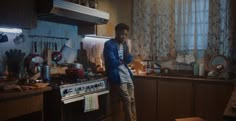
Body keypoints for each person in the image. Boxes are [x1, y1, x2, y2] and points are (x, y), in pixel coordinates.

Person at [103, 23, 136, 121]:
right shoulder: (109, 44)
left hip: (126, 73)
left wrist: (127, 55)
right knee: (127, 99)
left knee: (132, 99)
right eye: (122, 34)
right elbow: (111, 61)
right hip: (117, 75)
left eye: (126, 35)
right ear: (116, 33)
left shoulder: (124, 44)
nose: (124, 37)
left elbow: (129, 59)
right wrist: (123, 60)